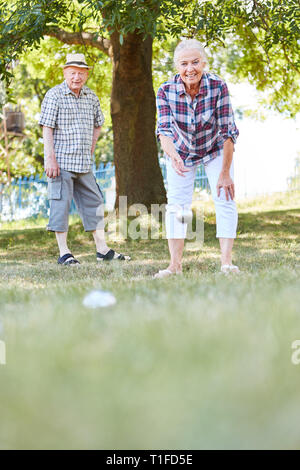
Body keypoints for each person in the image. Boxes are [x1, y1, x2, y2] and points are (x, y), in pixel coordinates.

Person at [155, 39, 240, 278]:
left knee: (225, 197)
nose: (189, 68)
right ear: (177, 66)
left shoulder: (217, 86)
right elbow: (163, 130)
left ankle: (226, 263)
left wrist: (224, 174)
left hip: (214, 148)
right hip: (181, 151)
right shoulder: (165, 90)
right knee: (176, 205)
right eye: (184, 63)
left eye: (195, 62)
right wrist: (173, 156)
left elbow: (228, 132)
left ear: (203, 63)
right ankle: (175, 266)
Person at [39, 53, 130, 265]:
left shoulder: (91, 96)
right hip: (61, 162)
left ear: (87, 75)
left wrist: (91, 147)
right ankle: (64, 253)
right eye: (72, 73)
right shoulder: (54, 95)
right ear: (65, 73)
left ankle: (102, 250)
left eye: (81, 73)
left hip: (83, 163)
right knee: (60, 205)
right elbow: (47, 128)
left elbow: (99, 123)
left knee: (95, 203)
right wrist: (49, 159)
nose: (76, 77)